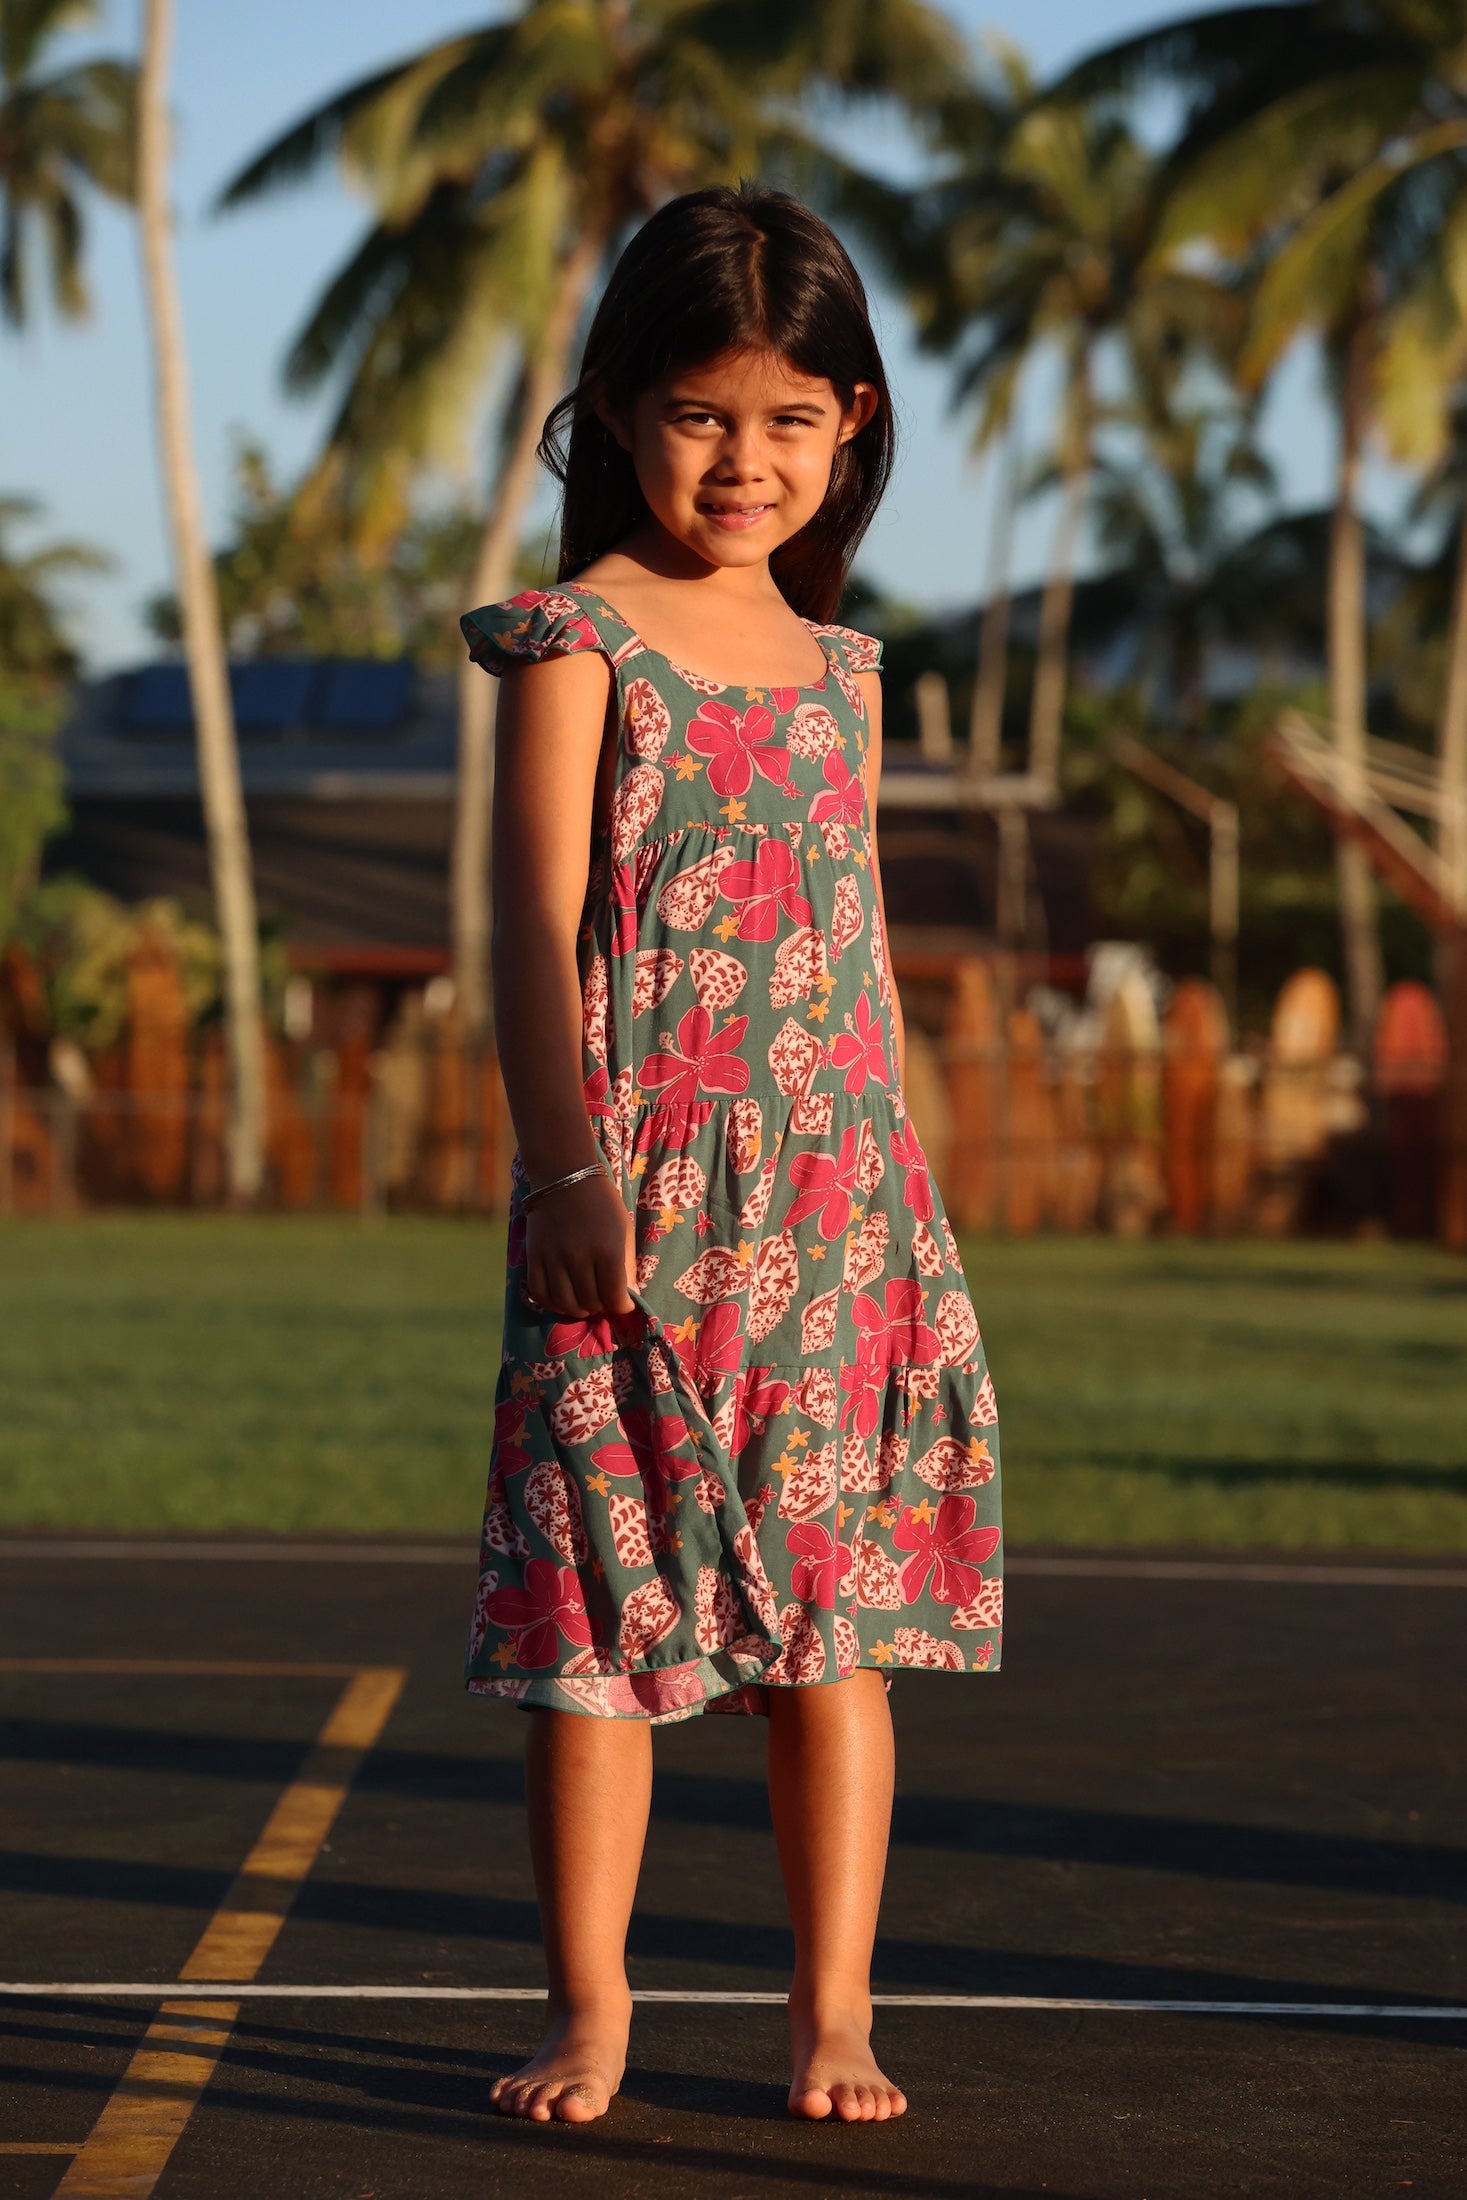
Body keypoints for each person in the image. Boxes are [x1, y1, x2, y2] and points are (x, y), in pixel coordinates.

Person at [459, 182, 1003, 2129]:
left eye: (788, 416)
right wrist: (562, 1168)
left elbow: (847, 961)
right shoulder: (576, 640)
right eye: (700, 412)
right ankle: (588, 2009)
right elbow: (528, 924)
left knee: (828, 1631)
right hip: (633, 1196)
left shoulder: (839, 674)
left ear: (847, 424)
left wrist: (907, 1205)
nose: (742, 457)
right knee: (597, 1632)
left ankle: (828, 2005)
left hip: (835, 1212)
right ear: (613, 408)